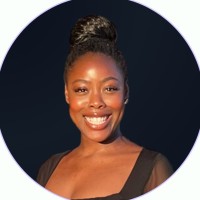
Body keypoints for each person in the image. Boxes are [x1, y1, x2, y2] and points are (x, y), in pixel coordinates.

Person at [37, 15, 173, 200]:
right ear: (67, 94)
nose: (96, 102)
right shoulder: (49, 169)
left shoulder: (152, 169)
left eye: (109, 88)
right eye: (82, 89)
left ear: (125, 92)